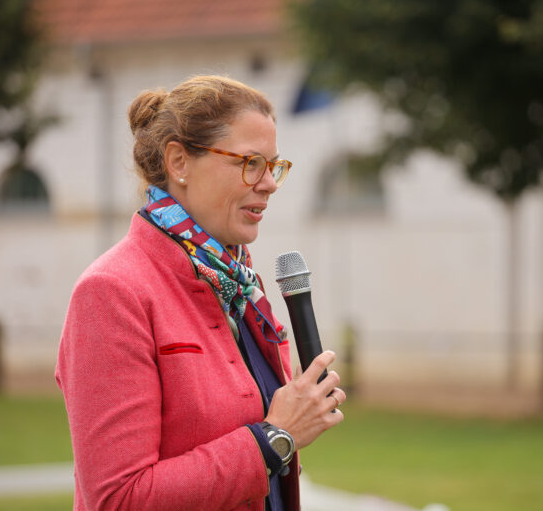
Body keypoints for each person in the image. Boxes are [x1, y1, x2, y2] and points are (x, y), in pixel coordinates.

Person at [56, 75, 346, 511]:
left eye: (273, 166)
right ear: (179, 162)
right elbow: (118, 499)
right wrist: (275, 439)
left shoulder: (239, 286)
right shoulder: (111, 292)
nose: (268, 183)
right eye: (250, 162)